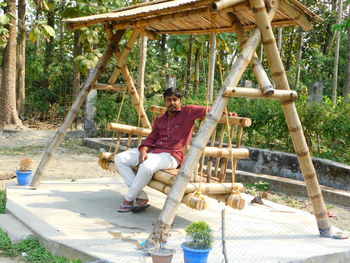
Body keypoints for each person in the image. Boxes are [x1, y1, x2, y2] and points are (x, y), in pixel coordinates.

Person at [114, 87, 236, 213]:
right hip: (154, 151)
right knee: (119, 159)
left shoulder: (188, 111)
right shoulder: (160, 119)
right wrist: (143, 149)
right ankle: (141, 196)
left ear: (180, 101)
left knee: (146, 167)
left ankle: (128, 199)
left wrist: (226, 113)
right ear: (164, 102)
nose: (172, 103)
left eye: (175, 99)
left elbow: (211, 109)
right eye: (168, 100)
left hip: (172, 155)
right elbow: (152, 137)